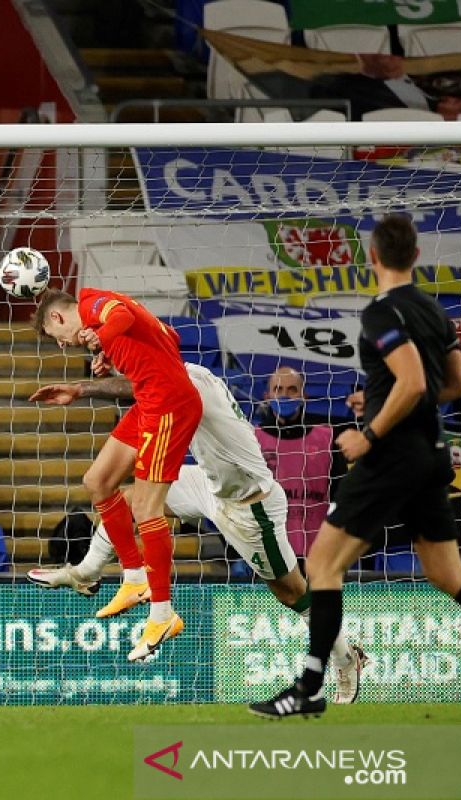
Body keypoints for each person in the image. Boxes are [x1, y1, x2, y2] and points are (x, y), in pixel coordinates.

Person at [250, 214, 461, 720]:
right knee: (449, 573)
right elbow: (454, 386)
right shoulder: (434, 311)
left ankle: (310, 688)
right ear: (415, 257)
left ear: (372, 257)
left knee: (322, 566)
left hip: (390, 458)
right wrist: (383, 395)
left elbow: (411, 382)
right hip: (430, 455)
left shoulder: (379, 313)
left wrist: (368, 434)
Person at [27, 364, 366, 702]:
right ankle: (87, 571)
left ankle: (346, 657)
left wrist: (83, 389)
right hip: (209, 484)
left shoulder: (179, 381)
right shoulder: (188, 371)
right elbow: (140, 384)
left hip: (250, 505)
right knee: (129, 499)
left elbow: (137, 385)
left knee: (293, 593)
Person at [33, 288, 203, 662]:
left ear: (59, 318)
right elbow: (166, 337)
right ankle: (133, 575)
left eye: (56, 337)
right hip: (148, 399)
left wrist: (104, 336)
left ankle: (162, 614)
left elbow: (121, 319)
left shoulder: (93, 304)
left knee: (146, 508)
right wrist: (114, 353)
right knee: (98, 481)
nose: (63, 346)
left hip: (168, 406)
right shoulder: (105, 316)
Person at [254, 366, 342, 558]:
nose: (285, 396)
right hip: (269, 552)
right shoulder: (252, 440)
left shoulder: (327, 438)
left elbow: (341, 495)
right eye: (278, 389)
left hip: (318, 551)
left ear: (304, 396)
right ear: (267, 396)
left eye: (292, 390)